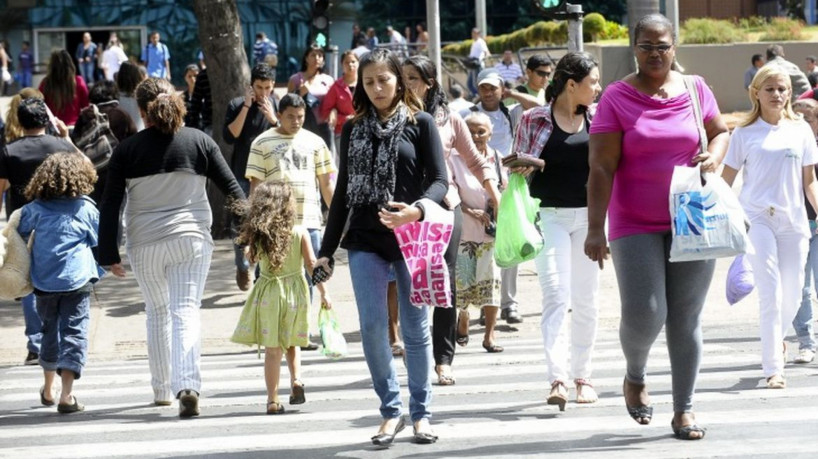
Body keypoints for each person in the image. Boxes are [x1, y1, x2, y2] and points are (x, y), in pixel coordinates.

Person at [585, 13, 730, 440]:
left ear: (675, 47)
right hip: (634, 221)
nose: (654, 54)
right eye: (646, 46)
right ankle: (635, 374)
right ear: (634, 47)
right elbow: (600, 167)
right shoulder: (616, 97)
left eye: (662, 46)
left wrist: (716, 155)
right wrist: (596, 228)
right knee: (647, 313)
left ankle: (684, 409)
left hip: (691, 217)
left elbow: (720, 131)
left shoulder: (694, 88)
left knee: (685, 317)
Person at [315, 48, 447, 445]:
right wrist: (326, 249)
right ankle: (391, 410)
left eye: (384, 80)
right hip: (365, 240)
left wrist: (417, 211)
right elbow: (341, 196)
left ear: (399, 80)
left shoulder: (421, 123)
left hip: (412, 237)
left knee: (415, 328)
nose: (376, 88)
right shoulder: (353, 128)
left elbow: (440, 181)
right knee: (373, 329)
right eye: (368, 82)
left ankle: (421, 412)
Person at [97, 78, 245, 417]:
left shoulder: (127, 149)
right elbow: (234, 192)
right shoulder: (200, 142)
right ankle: (187, 385)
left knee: (158, 312)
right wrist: (252, 233)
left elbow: (111, 203)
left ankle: (162, 389)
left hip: (145, 243)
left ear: (141, 110)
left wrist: (108, 253)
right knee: (185, 310)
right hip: (191, 240)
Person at [403, 55, 501, 385]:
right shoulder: (392, 117)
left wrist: (495, 195)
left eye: (413, 78)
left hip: (445, 208)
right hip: (404, 211)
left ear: (430, 83)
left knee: (445, 283)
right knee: (409, 280)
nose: (407, 85)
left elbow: (476, 162)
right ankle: (411, 346)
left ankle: (443, 359)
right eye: (402, 78)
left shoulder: (450, 120)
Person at [514, 52, 602, 411]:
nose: (597, 88)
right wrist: (527, 165)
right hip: (548, 216)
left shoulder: (598, 119)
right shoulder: (534, 119)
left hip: (590, 219)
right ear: (571, 85)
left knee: (586, 300)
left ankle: (583, 376)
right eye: (592, 82)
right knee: (555, 295)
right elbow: (516, 167)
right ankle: (558, 378)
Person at [722, 66, 818, 389]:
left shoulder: (801, 130)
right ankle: (773, 368)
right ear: (757, 93)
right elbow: (727, 182)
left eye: (782, 89)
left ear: (790, 93)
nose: (777, 95)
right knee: (771, 291)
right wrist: (731, 219)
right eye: (770, 89)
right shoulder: (744, 134)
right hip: (758, 219)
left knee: (792, 294)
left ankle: (778, 339)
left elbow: (810, 182)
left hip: (794, 222)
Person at [230, 181, 331, 414]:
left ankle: (272, 400)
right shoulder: (299, 232)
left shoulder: (259, 235)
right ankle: (296, 380)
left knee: (273, 350)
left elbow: (251, 259)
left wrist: (248, 250)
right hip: (295, 293)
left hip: (268, 293)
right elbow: (311, 265)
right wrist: (324, 292)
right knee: (292, 341)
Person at [17, 152, 104, 414]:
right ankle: (67, 395)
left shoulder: (33, 209)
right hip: (77, 281)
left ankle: (48, 389)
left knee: (48, 331)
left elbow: (17, 237)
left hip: (43, 282)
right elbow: (98, 240)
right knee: (74, 333)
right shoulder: (86, 208)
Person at [0, 98, 76, 367]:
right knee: (55, 279)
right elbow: (86, 171)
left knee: (26, 281)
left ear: (20, 122)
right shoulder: (60, 147)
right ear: (46, 120)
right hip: (57, 221)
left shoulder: (9, 151)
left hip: (23, 222)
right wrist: (66, 137)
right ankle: (56, 340)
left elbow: (0, 188)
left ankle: (36, 343)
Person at [460, 68, 524, 324]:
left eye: (493, 88)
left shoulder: (511, 112)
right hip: (472, 186)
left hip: (504, 184)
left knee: (507, 248)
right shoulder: (467, 115)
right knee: (474, 250)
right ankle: (482, 307)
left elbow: (540, 104)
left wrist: (511, 93)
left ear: (501, 89)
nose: (487, 92)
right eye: (483, 87)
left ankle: (508, 304)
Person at [224, 63, 280, 290]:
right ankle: (242, 265)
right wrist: (247, 106)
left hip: (269, 176)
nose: (263, 93)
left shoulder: (275, 105)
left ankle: (260, 274)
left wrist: (273, 118)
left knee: (266, 225)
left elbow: (285, 135)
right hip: (241, 173)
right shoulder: (236, 105)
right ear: (251, 86)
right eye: (259, 87)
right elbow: (230, 136)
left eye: (268, 87)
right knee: (242, 225)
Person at [456, 112, 506, 355]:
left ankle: (489, 335)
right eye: (471, 131)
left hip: (491, 234)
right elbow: (449, 192)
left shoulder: (497, 159)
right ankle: (463, 317)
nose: (476, 136)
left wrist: (496, 209)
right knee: (463, 284)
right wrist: (471, 211)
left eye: (481, 131)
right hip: (464, 232)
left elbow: (504, 191)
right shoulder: (453, 158)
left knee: (492, 283)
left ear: (490, 133)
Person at [72, 79, 138, 201]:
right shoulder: (121, 115)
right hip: (116, 174)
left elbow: (74, 143)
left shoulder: (84, 115)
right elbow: (134, 144)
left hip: (91, 174)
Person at [791, 98, 818, 365]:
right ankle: (806, 342)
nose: (803, 125)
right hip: (796, 228)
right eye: (796, 119)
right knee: (801, 287)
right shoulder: (787, 148)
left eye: (808, 119)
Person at [287, 45, 335, 155]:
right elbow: (287, 104)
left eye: (320, 55)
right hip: (303, 126)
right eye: (313, 55)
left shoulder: (328, 80)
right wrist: (299, 93)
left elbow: (334, 102)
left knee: (324, 159)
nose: (317, 58)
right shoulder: (296, 79)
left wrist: (334, 111)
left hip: (324, 126)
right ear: (306, 58)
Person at [319, 50, 358, 159]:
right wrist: (344, 119)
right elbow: (325, 112)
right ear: (342, 65)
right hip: (343, 132)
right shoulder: (336, 87)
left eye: (353, 61)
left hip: (364, 131)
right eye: (347, 62)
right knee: (345, 167)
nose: (350, 65)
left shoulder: (365, 84)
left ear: (358, 63)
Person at [39, 49, 90, 127]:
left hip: (53, 129)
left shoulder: (45, 83)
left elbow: (40, 106)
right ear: (70, 64)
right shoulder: (78, 81)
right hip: (75, 128)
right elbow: (86, 107)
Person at [116, 61, 146, 131]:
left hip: (122, 138)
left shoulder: (115, 98)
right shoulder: (143, 97)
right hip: (141, 135)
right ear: (138, 76)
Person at [188, 64, 213, 135]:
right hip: (210, 122)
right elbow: (196, 102)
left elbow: (196, 102)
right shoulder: (203, 75)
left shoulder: (203, 75)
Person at [466, 29, 490, 97]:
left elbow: (486, 52)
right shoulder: (474, 42)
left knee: (477, 83)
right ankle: (477, 96)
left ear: (478, 34)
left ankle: (480, 96)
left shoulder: (481, 42)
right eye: (472, 33)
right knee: (469, 84)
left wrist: (484, 60)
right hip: (472, 64)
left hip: (477, 65)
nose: (473, 35)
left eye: (474, 33)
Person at [182, 64, 200, 129]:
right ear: (185, 78)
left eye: (195, 76)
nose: (193, 79)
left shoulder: (204, 95)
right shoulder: (182, 97)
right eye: (189, 76)